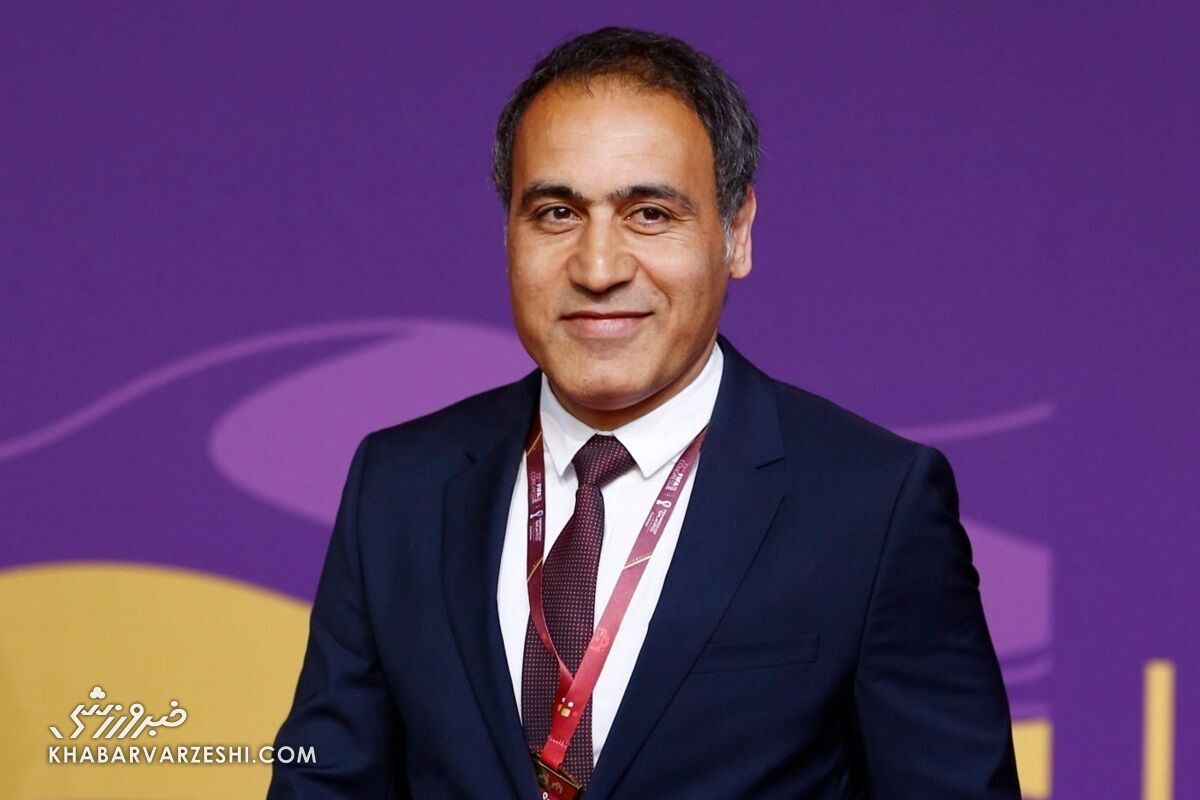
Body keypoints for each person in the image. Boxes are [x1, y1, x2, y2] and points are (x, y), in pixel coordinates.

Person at [267, 26, 1020, 799]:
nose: (598, 268)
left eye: (650, 214)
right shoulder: (399, 487)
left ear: (736, 233)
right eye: (556, 213)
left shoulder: (873, 505)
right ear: (508, 233)